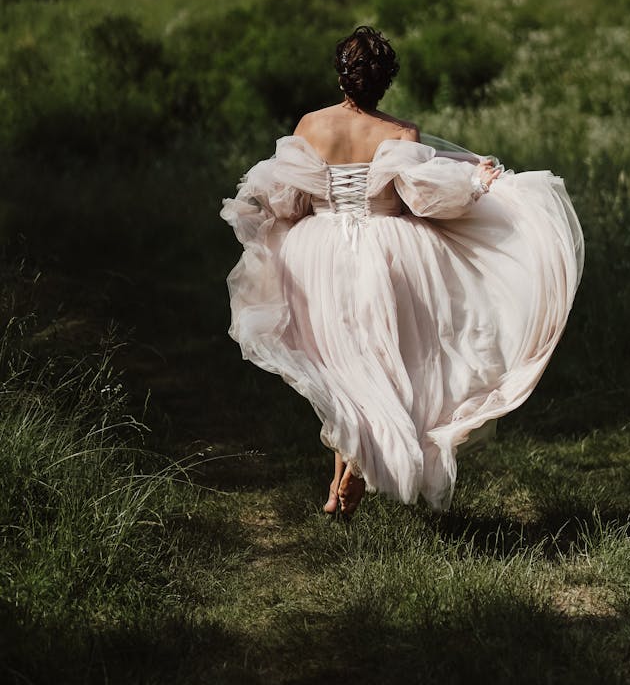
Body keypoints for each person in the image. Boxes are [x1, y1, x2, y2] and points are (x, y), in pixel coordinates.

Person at [221, 26, 584, 519]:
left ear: (342, 77)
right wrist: (476, 186)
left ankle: (345, 478)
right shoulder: (400, 133)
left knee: (345, 369)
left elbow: (289, 200)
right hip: (389, 253)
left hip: (319, 255)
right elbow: (423, 201)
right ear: (384, 81)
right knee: (381, 367)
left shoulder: (311, 126)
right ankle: (348, 474)